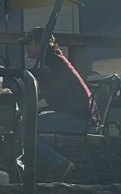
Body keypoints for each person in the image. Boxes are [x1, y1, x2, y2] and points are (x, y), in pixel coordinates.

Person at [23, 28, 97, 180]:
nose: (25, 47)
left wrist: (14, 89)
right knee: (28, 123)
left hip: (79, 121)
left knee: (25, 125)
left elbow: (32, 84)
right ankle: (50, 164)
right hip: (84, 118)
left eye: (28, 43)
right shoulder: (55, 60)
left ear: (39, 44)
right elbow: (43, 91)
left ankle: (58, 164)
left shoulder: (49, 62)